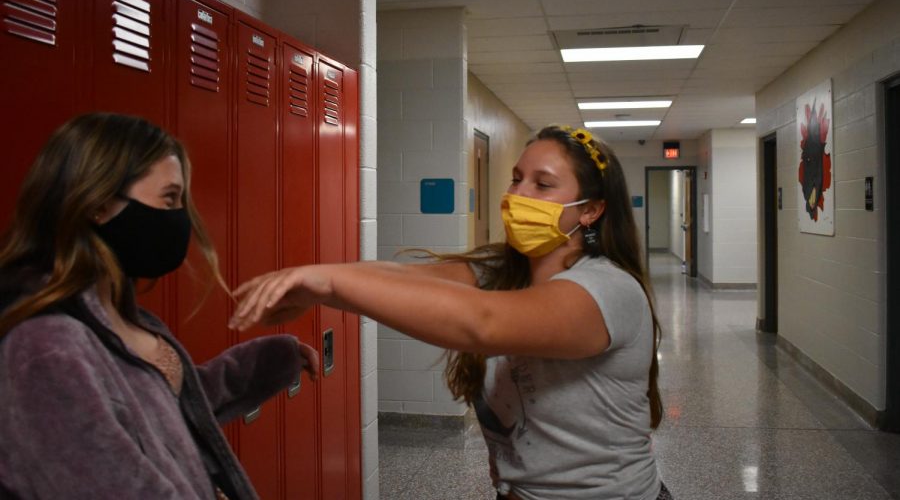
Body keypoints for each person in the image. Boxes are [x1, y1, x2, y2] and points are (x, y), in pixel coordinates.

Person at [230, 124, 673, 500]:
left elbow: (481, 323)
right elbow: (407, 280)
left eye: (543, 184)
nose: (518, 194)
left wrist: (326, 282)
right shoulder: (506, 270)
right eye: (517, 179)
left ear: (591, 210)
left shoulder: (608, 290)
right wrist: (318, 285)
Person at [0, 113, 319, 499]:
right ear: (98, 203)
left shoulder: (118, 315)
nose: (181, 219)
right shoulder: (46, 345)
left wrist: (271, 360)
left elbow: (162, 409)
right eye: (169, 198)